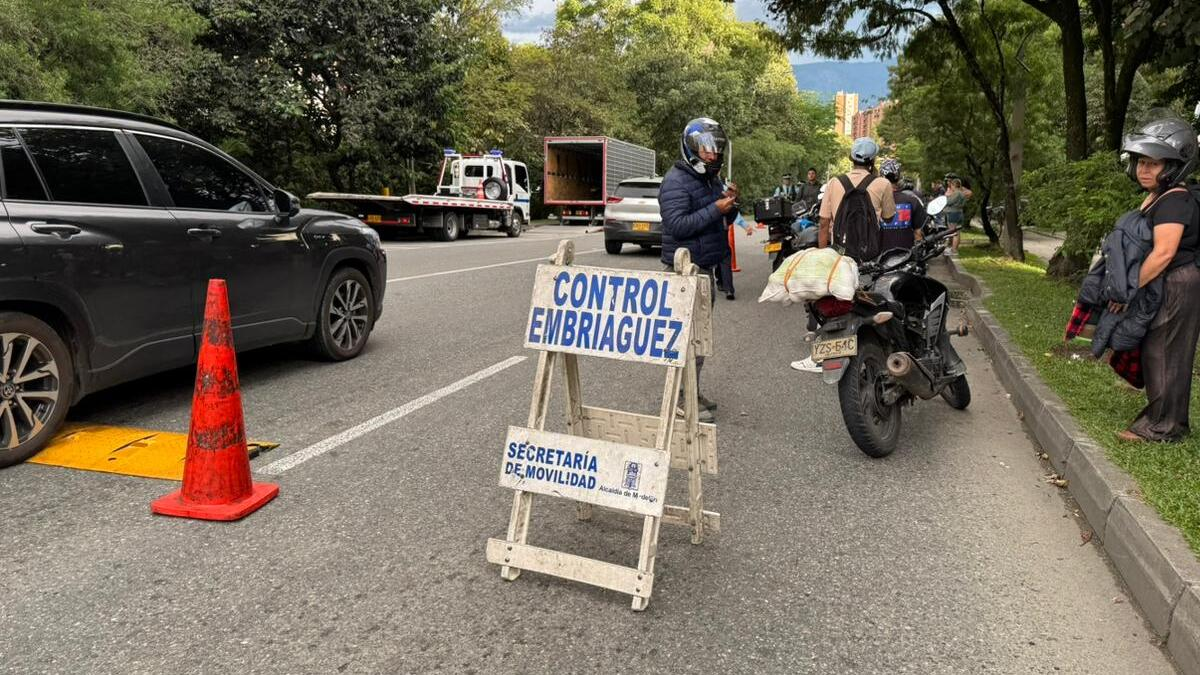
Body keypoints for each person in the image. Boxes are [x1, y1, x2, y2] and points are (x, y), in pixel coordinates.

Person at [1113, 111, 1200, 442]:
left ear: (1174, 167)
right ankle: (1165, 419)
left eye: (1153, 163)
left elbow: (1163, 253)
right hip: (1174, 281)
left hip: (1179, 282)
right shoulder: (1163, 196)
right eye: (1140, 162)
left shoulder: (1174, 201)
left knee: (1166, 351)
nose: (1143, 169)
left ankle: (1164, 427)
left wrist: (1129, 289)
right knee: (1159, 349)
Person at [792, 138, 895, 373]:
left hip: (841, 253)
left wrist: (822, 255)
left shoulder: (835, 183)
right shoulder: (882, 184)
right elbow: (889, 217)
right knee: (873, 299)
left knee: (835, 300)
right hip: (871, 255)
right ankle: (878, 350)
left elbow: (824, 222)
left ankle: (823, 354)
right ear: (872, 160)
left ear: (851, 158)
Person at [659, 117, 738, 422]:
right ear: (691, 148)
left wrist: (731, 204)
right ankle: (680, 399)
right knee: (683, 339)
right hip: (683, 271)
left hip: (705, 269)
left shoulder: (710, 180)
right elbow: (676, 225)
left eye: (716, 150)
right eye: (706, 149)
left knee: (699, 340)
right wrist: (713, 209)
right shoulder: (676, 181)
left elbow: (721, 223)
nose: (712, 155)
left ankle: (692, 388)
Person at [879, 158, 926, 251]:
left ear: (881, 176)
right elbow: (918, 233)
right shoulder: (912, 201)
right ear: (899, 177)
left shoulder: (875, 201)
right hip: (906, 257)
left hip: (880, 258)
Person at [943, 177, 972, 252]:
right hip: (960, 212)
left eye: (951, 185)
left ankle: (953, 249)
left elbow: (949, 202)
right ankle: (955, 248)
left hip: (953, 213)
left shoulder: (956, 193)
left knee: (953, 233)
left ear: (954, 185)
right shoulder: (962, 194)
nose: (950, 187)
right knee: (958, 232)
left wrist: (946, 196)